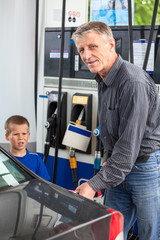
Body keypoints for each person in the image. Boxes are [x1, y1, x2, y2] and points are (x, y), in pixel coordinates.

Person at [71, 21, 160, 240]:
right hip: (118, 167)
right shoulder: (103, 78)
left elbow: (129, 146)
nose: (86, 54)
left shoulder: (132, 82)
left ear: (111, 44)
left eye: (92, 47)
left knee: (151, 233)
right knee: (109, 231)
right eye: (81, 49)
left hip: (144, 169)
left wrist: (94, 185)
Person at [4, 115, 51, 181]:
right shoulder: (3, 161)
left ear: (28, 135)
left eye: (24, 134)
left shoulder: (36, 159)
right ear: (7, 136)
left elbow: (45, 184)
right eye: (16, 134)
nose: (20, 138)